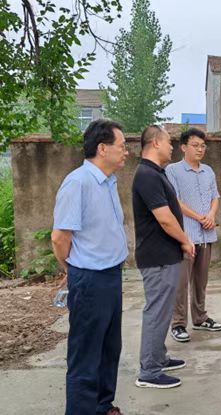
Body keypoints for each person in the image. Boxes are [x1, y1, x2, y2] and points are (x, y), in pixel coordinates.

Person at [51, 119, 129, 415]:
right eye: (121, 146)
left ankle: (102, 406)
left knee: (109, 348)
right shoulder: (78, 182)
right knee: (85, 354)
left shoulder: (109, 181)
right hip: (89, 279)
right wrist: (72, 270)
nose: (126, 152)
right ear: (102, 148)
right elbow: (60, 237)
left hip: (110, 276)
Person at [132, 125, 195, 389]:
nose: (172, 146)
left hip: (165, 255)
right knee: (157, 312)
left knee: (163, 309)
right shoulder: (146, 175)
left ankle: (158, 357)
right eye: (168, 141)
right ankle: (149, 371)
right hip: (156, 256)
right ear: (155, 143)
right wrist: (185, 240)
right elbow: (165, 218)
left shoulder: (156, 173)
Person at [166, 128, 221, 343]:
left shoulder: (208, 171)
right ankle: (178, 324)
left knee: (201, 280)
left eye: (203, 146)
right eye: (195, 145)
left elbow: (215, 197)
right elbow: (175, 201)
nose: (200, 149)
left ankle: (200, 318)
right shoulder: (173, 171)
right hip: (186, 235)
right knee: (181, 282)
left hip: (206, 235)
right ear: (183, 147)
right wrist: (200, 217)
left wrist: (211, 215)